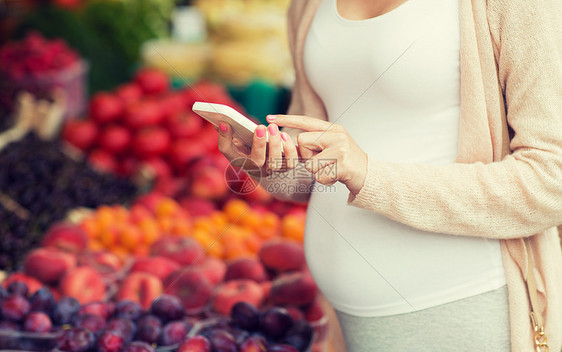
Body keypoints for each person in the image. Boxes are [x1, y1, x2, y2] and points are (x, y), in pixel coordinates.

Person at [217, 0, 562, 351]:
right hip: (346, 314)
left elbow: (552, 179)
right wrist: (266, 164)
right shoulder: (306, 5)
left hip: (461, 301)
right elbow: (312, 170)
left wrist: (370, 175)